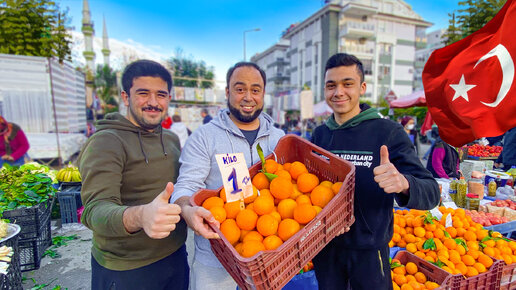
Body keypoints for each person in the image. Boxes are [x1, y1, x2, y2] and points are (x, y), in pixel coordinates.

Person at [310, 53, 440, 289]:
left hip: (369, 254)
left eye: (347, 84)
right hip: (326, 252)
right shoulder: (319, 135)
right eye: (331, 86)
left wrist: (404, 183)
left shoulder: (387, 132)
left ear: (362, 87)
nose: (338, 92)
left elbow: (431, 192)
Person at [170, 62, 285, 290]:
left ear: (263, 94)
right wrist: (186, 209)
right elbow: (186, 185)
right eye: (240, 89)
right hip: (215, 263)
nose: (248, 97)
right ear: (227, 92)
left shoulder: (278, 137)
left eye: (255, 90)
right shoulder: (205, 137)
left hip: (267, 257)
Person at [78, 60, 188, 290]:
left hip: (175, 258)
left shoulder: (170, 139)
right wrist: (140, 216)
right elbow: (94, 211)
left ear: (168, 98)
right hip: (127, 269)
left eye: (161, 94)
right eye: (143, 93)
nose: (153, 102)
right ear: (126, 97)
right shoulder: (106, 141)